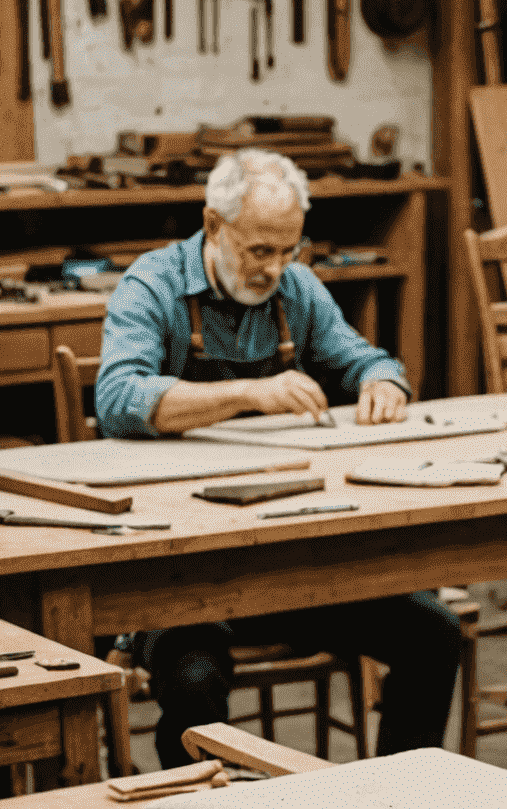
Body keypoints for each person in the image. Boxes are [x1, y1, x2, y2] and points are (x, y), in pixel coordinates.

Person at [96, 148, 459, 768]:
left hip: (288, 560)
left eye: (288, 250)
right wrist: (247, 394)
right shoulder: (152, 284)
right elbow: (118, 397)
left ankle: (401, 806)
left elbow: (369, 359)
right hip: (186, 571)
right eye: (258, 251)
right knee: (194, 680)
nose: (274, 269)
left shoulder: (297, 287)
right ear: (213, 225)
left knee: (433, 636)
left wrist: (383, 384)